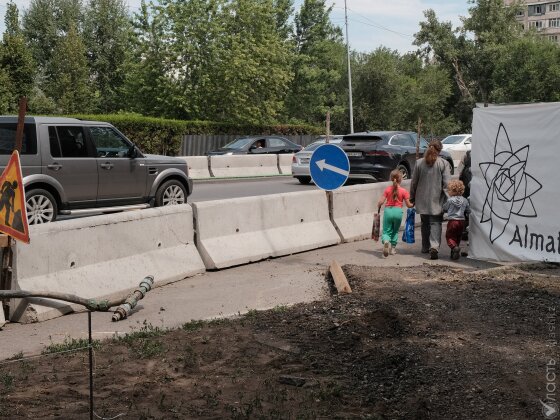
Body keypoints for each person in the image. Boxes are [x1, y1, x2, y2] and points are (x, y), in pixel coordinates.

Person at [410, 139, 451, 260]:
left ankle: (425, 247)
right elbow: (447, 185)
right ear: (440, 150)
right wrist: (450, 201)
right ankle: (434, 246)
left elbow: (414, 183)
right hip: (437, 201)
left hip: (421, 200)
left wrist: (412, 198)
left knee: (425, 224)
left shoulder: (419, 163)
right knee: (435, 223)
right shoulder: (443, 163)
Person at [377, 169, 414, 257]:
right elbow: (409, 205)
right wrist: (413, 204)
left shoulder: (387, 190)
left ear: (391, 179)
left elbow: (380, 202)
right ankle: (393, 249)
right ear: (400, 179)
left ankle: (386, 241)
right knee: (395, 231)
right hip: (398, 212)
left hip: (388, 211)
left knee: (386, 231)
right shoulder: (404, 191)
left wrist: (378, 206)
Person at [443, 179, 470, 260]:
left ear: (451, 190)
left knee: (450, 236)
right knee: (458, 236)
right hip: (461, 221)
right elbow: (468, 210)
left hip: (452, 221)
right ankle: (454, 253)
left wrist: (444, 209)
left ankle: (454, 248)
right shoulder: (464, 200)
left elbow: (445, 208)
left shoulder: (450, 200)